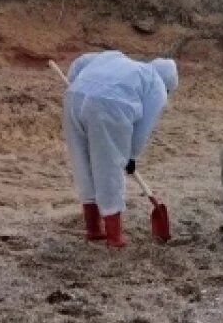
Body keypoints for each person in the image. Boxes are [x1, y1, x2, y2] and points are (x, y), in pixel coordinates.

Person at [64, 51, 179, 248]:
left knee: (83, 164)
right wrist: (130, 156)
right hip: (110, 106)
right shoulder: (157, 85)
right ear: (168, 85)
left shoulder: (117, 58)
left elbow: (80, 63)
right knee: (108, 169)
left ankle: (93, 229)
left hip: (74, 97)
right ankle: (114, 237)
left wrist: (76, 84)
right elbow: (143, 127)